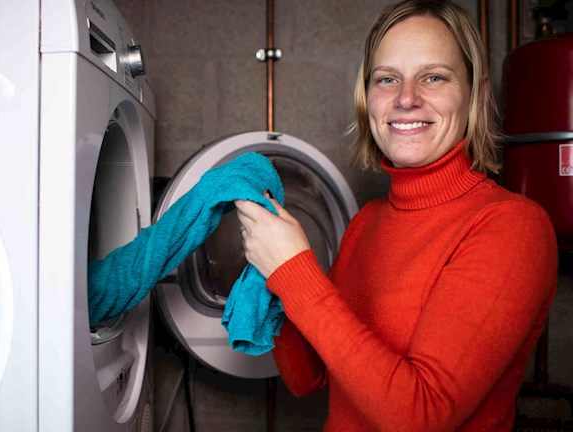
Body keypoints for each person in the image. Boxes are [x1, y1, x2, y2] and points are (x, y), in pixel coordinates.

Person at [234, 0, 558, 430]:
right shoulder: (367, 220)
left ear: (475, 92)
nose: (406, 98)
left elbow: (419, 415)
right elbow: (308, 377)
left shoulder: (513, 228)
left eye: (433, 77)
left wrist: (293, 272)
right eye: (387, 79)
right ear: (368, 98)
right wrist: (270, 273)